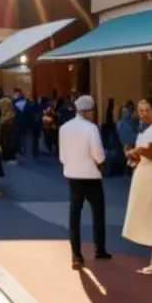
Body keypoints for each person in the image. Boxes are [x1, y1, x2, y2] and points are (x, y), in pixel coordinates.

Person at [59, 95, 110, 269]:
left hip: (73, 175)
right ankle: (100, 249)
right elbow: (98, 153)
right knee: (98, 212)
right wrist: (101, 162)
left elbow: (62, 156)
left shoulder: (64, 128)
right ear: (87, 111)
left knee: (74, 215)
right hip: (91, 175)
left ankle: (76, 255)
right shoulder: (91, 128)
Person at [123, 99, 152, 276]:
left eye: (147, 110)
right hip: (142, 173)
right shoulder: (144, 130)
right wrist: (133, 156)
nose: (143, 114)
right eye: (140, 110)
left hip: (149, 175)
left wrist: (136, 151)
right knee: (149, 213)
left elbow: (150, 153)